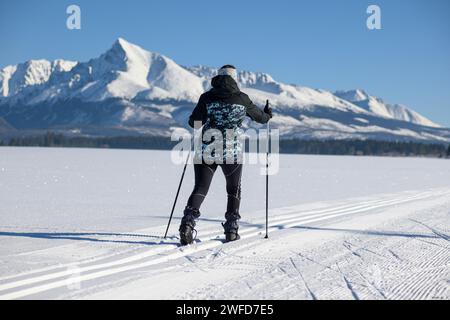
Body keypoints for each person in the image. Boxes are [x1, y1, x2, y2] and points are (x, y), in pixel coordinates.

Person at [179, 65, 272, 245]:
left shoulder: (206, 97)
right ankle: (231, 229)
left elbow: (195, 123)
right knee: (233, 189)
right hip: (232, 151)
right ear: (234, 78)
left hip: (207, 148)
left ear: (218, 77)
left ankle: (187, 225)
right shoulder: (242, 99)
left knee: (200, 187)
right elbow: (260, 118)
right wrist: (268, 114)